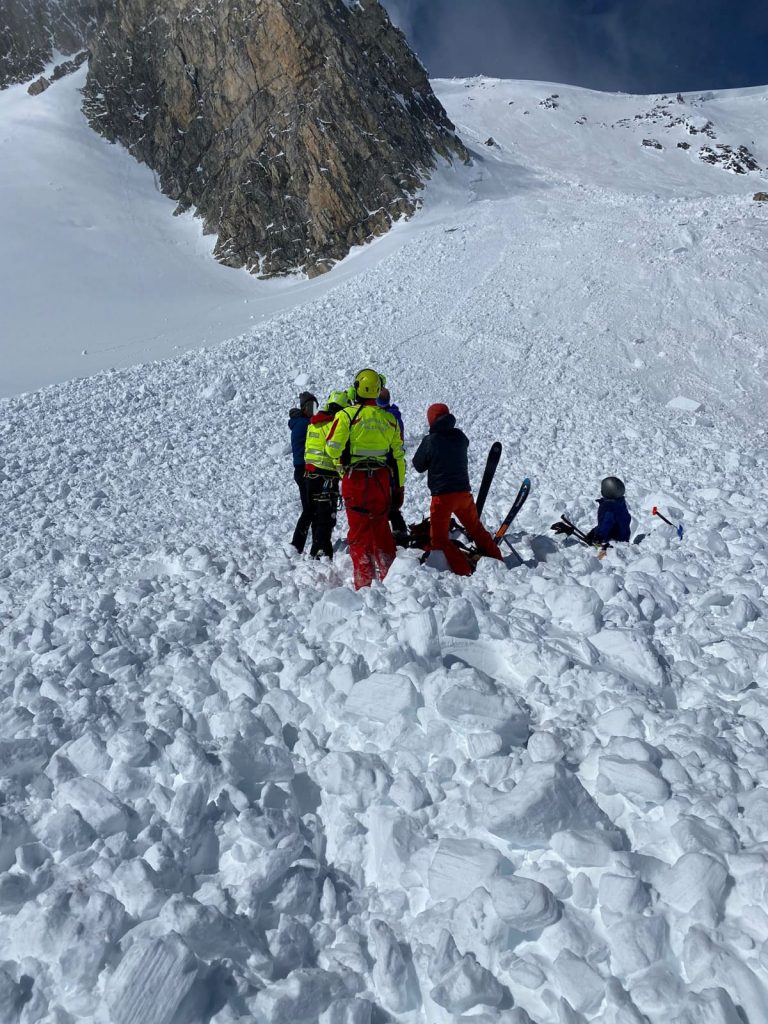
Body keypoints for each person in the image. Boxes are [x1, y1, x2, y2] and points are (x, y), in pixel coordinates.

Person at [326, 368, 405, 589]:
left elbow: (332, 448)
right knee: (381, 528)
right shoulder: (389, 419)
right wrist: (399, 487)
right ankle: (391, 579)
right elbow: (398, 457)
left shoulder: (346, 416)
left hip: (356, 479)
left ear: (357, 388)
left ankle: (364, 582)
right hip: (381, 479)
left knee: (359, 531)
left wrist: (341, 467)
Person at [412, 403, 503, 576]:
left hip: (442, 497)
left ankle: (464, 570)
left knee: (439, 540)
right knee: (476, 529)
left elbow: (418, 465)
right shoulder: (460, 436)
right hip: (464, 493)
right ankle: (498, 561)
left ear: (431, 420)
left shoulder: (430, 440)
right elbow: (461, 445)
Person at [303, 390, 350, 558]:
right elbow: (335, 453)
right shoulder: (335, 424)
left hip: (310, 474)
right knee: (326, 516)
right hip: (327, 476)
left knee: (315, 513)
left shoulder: (313, 423)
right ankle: (322, 549)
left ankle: (316, 547)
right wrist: (344, 475)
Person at [551, 476, 631, 547]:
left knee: (596, 544)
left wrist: (599, 537)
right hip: (622, 537)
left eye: (603, 489)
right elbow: (614, 522)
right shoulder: (619, 503)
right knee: (594, 533)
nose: (601, 491)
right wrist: (595, 531)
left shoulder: (609, 509)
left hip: (613, 542)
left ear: (608, 492)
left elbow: (607, 523)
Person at [377, 384, 408, 545]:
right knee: (391, 503)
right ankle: (400, 532)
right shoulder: (395, 417)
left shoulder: (385, 418)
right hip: (394, 464)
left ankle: (393, 535)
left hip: (386, 464)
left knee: (383, 502)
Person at [288, 391, 317, 552]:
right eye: (311, 406)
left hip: (302, 470)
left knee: (310, 508)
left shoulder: (301, 422)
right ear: (304, 407)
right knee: (310, 509)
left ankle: (302, 544)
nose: (313, 410)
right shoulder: (304, 424)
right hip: (304, 469)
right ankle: (297, 544)